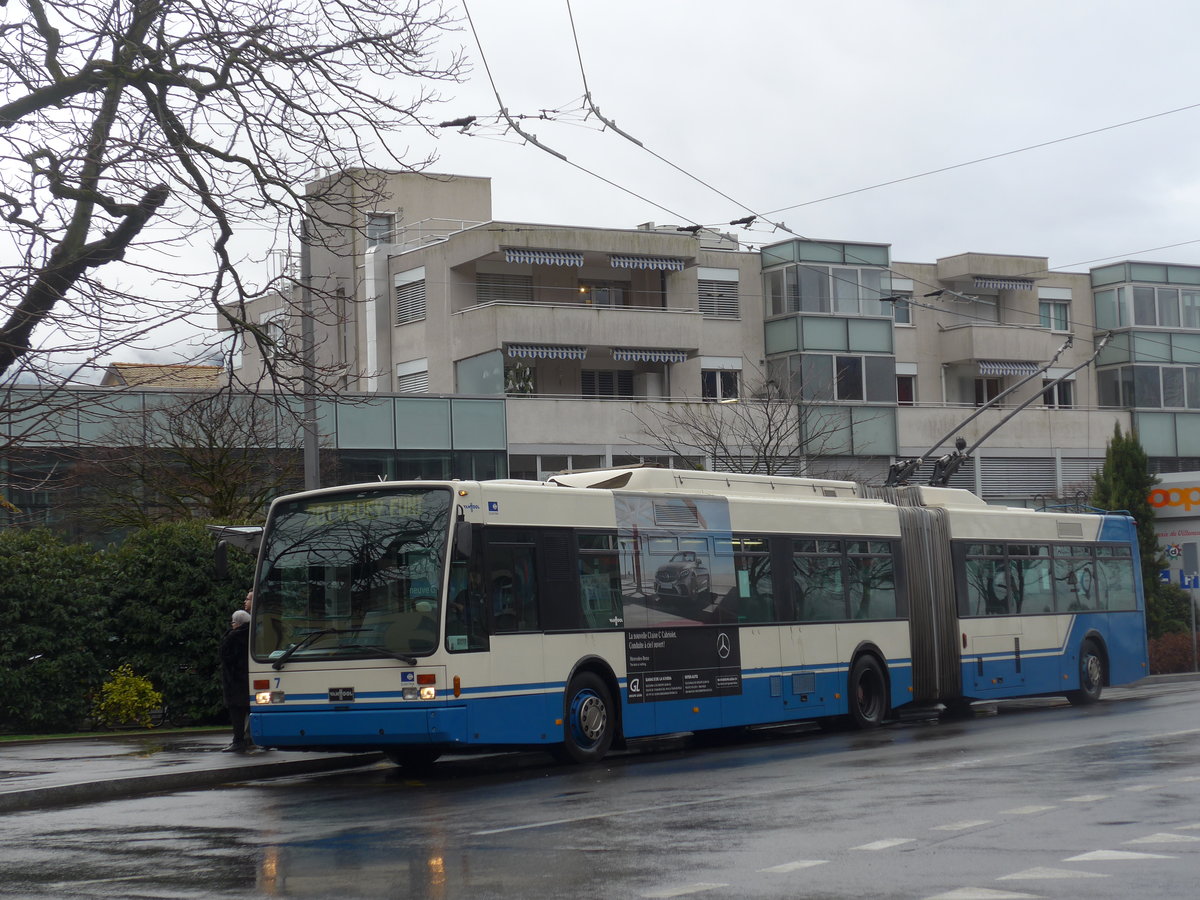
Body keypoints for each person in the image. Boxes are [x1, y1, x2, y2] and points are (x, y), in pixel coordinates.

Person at [219, 609, 252, 752]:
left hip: (235, 682)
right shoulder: (254, 634)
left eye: (233, 622)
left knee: (237, 713)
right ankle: (251, 738)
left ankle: (238, 741)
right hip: (249, 680)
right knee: (251, 711)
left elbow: (225, 657)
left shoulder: (233, 637)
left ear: (237, 623)